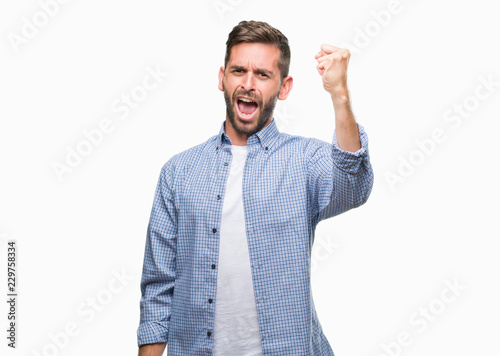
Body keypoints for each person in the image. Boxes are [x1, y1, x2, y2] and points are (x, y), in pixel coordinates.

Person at [137, 20, 374, 356]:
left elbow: (354, 186)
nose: (248, 84)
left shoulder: (304, 161)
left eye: (262, 75)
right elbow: (159, 286)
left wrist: (339, 94)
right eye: (239, 71)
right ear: (222, 78)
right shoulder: (179, 172)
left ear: (284, 86)